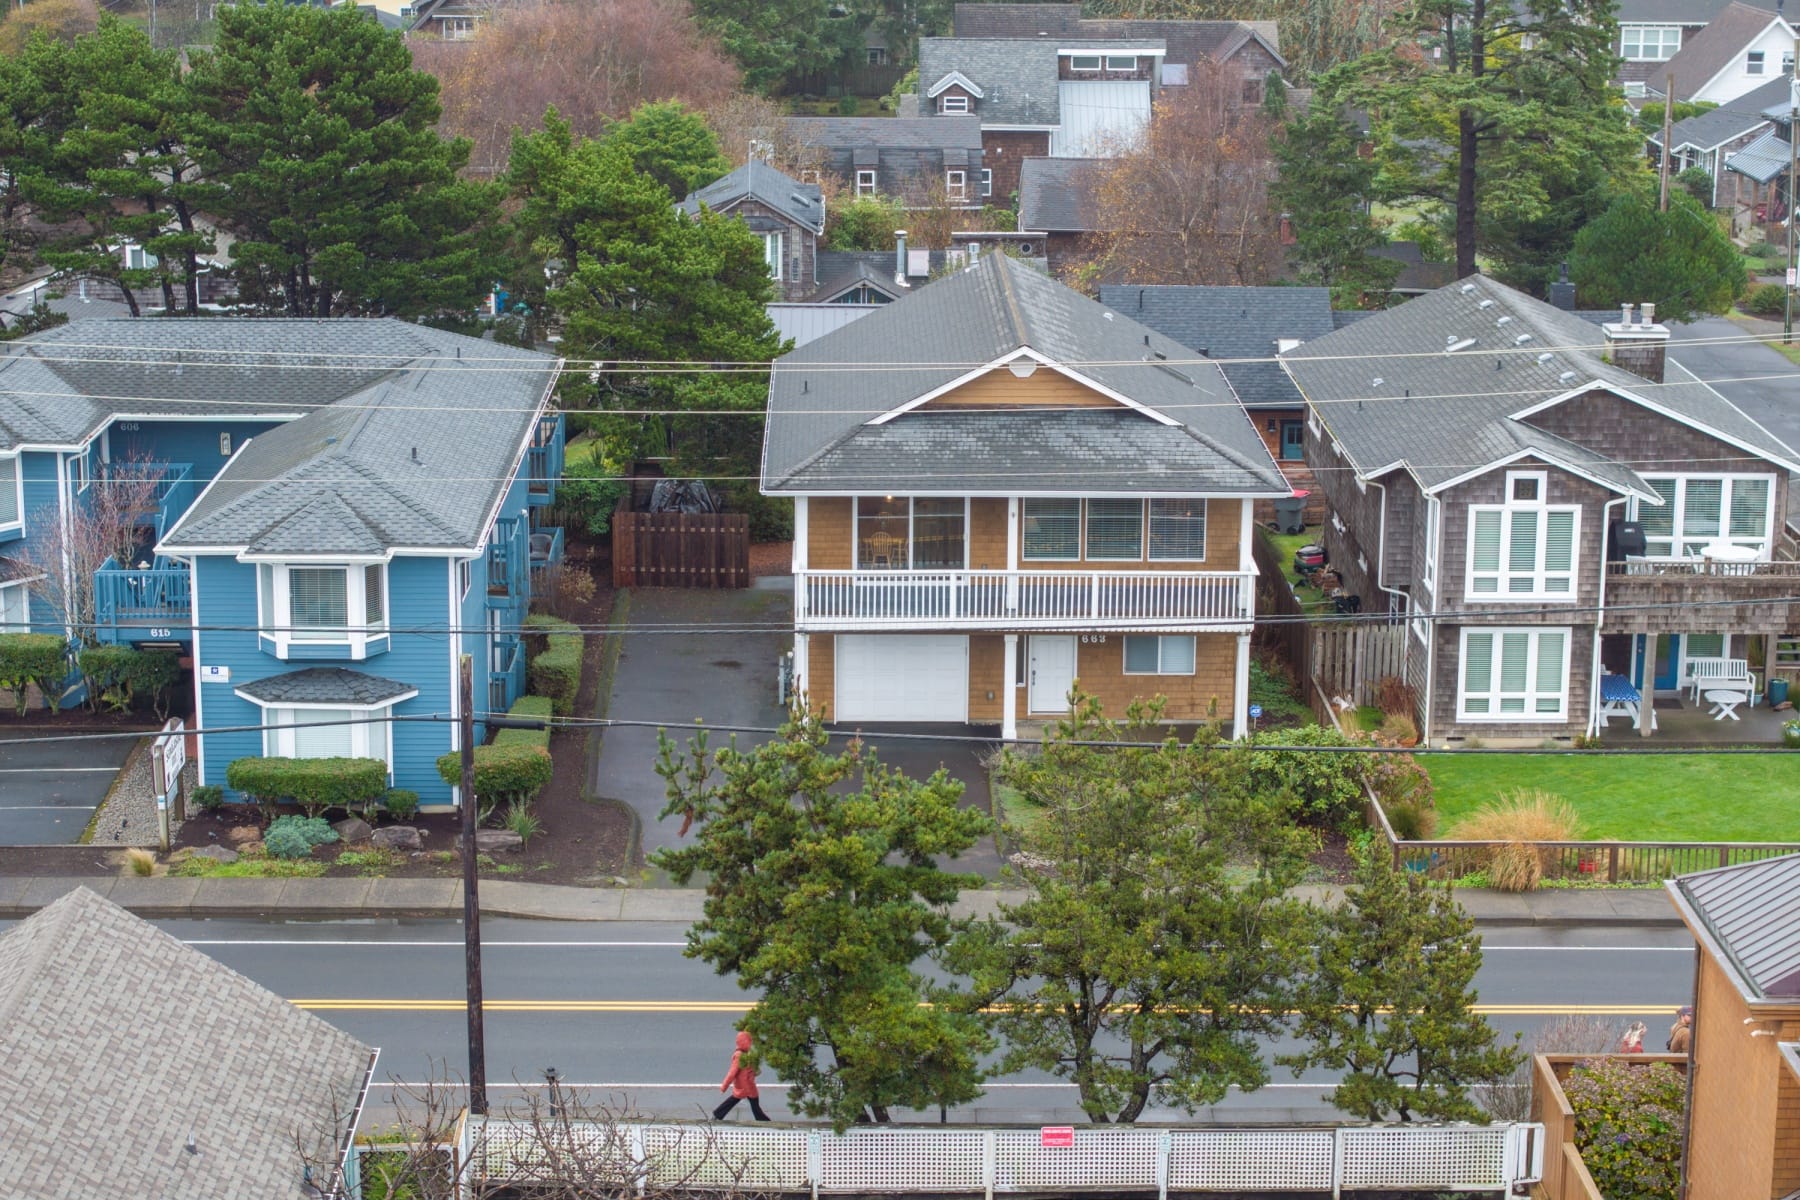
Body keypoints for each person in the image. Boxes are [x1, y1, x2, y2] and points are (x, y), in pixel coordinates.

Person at [713, 1030, 770, 1121]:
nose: (751, 1044)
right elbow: (732, 1073)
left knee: (744, 1101)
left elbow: (749, 1069)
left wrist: (754, 1072)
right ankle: (763, 1120)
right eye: (749, 1042)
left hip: (747, 1084)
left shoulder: (745, 1054)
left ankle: (717, 1114)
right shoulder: (739, 1056)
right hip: (745, 1085)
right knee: (752, 1103)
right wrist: (724, 1087)